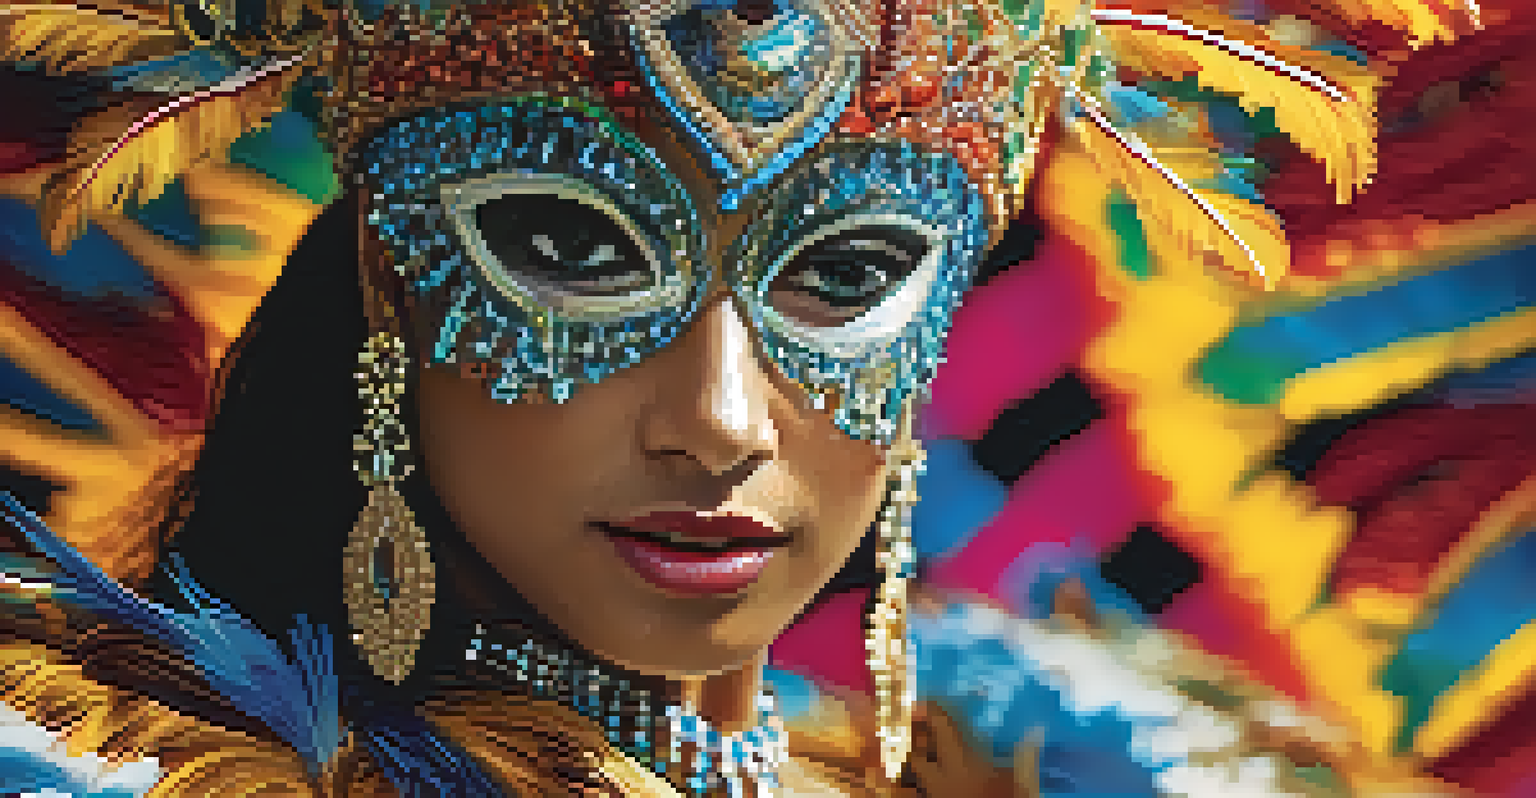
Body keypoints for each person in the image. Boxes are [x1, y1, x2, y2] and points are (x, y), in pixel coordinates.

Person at [0, 0, 1480, 795]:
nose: (718, 418)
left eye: (846, 275)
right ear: (390, 289)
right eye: (573, 249)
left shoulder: (1094, 763)